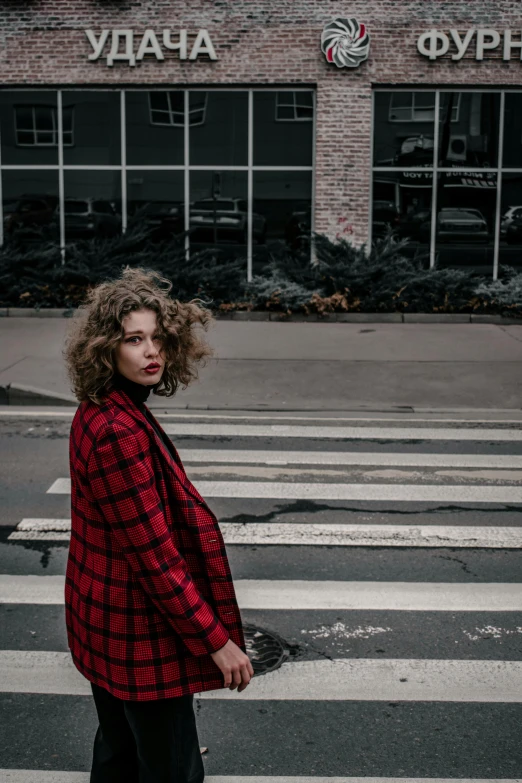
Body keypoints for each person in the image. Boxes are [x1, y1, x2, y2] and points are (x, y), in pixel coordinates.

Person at [63, 266, 253, 783]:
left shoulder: (101, 407)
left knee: (119, 754)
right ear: (107, 347)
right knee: (172, 771)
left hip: (105, 623)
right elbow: (155, 558)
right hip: (137, 633)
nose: (151, 352)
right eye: (133, 339)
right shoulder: (118, 431)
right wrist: (216, 640)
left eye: (157, 339)